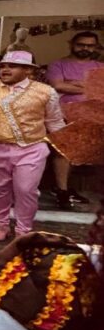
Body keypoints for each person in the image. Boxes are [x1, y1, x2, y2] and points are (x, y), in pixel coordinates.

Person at [0, 50, 66, 241]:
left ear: (27, 70)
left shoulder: (45, 91)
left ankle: (23, 229)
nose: (5, 69)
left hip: (32, 147)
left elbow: (54, 121)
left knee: (26, 188)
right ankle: (1, 225)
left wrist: (67, 143)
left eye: (12, 66)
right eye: (3, 66)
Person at [47, 31, 103, 209]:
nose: (85, 48)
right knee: (62, 152)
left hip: (93, 117)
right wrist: (89, 86)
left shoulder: (100, 66)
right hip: (63, 114)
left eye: (90, 45)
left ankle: (68, 188)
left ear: (95, 47)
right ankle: (62, 191)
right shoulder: (58, 64)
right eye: (81, 45)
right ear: (72, 44)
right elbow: (57, 85)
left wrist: (75, 84)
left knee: (79, 156)